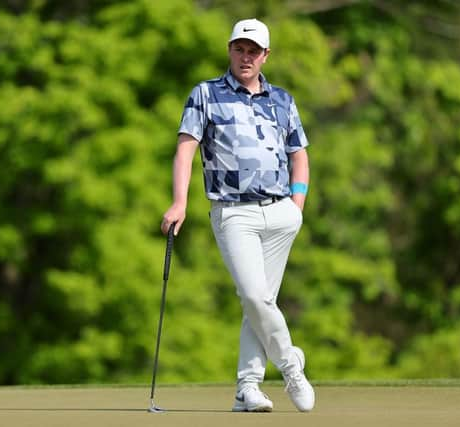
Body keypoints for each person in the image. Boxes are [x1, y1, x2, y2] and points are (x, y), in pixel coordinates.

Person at [160, 18, 315, 412]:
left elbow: (299, 153)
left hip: (281, 213)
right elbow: (185, 149)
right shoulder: (206, 94)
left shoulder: (282, 99)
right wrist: (180, 202)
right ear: (230, 50)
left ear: (265, 56)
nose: (245, 57)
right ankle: (290, 366)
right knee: (253, 295)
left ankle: (248, 388)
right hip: (234, 213)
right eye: (239, 49)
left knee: (260, 301)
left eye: (253, 51)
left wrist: (296, 207)